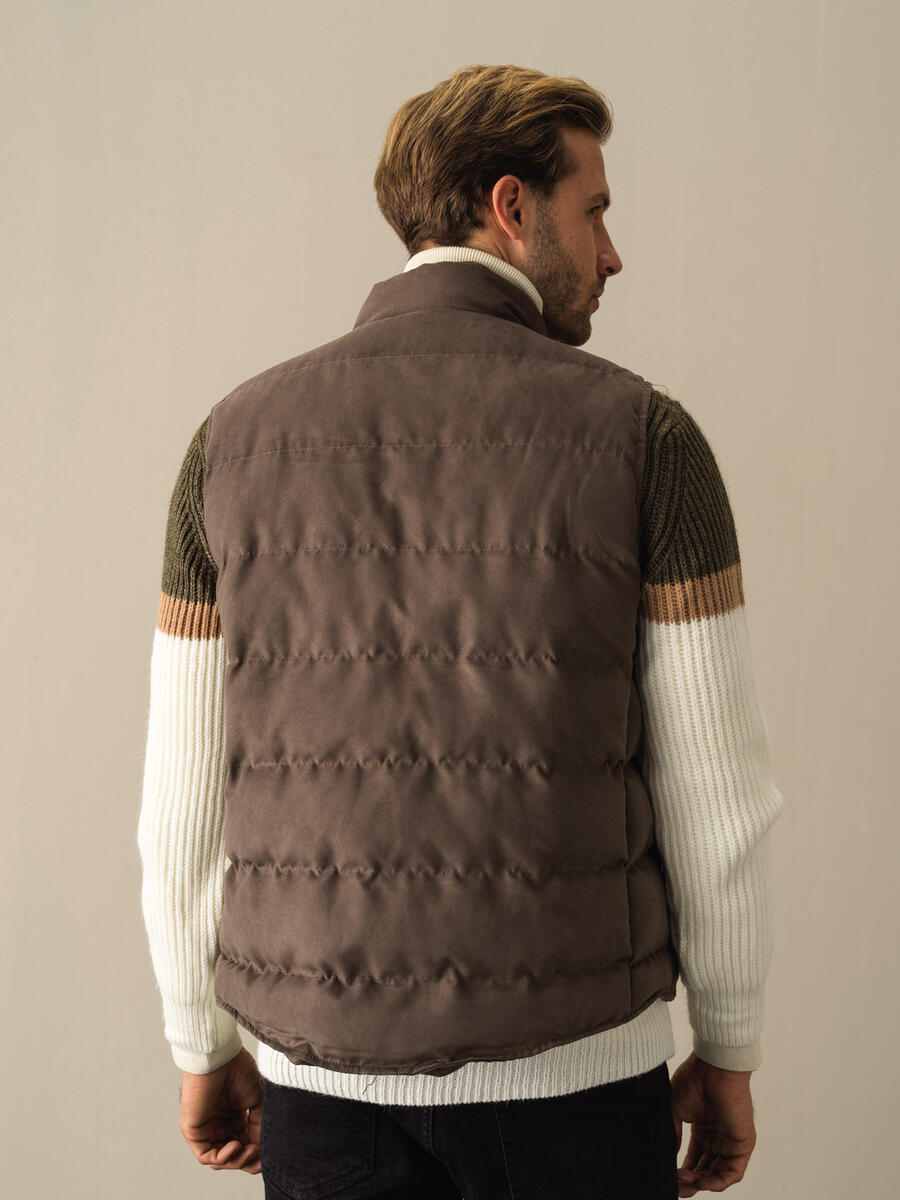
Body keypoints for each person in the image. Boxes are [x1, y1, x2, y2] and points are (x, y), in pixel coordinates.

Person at [137, 63, 785, 1198]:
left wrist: (201, 1039)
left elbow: (181, 804)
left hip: (320, 1085)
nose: (613, 254)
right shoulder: (647, 440)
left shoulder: (229, 444)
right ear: (510, 206)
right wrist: (728, 1048)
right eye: (596, 211)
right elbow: (719, 802)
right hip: (581, 1084)